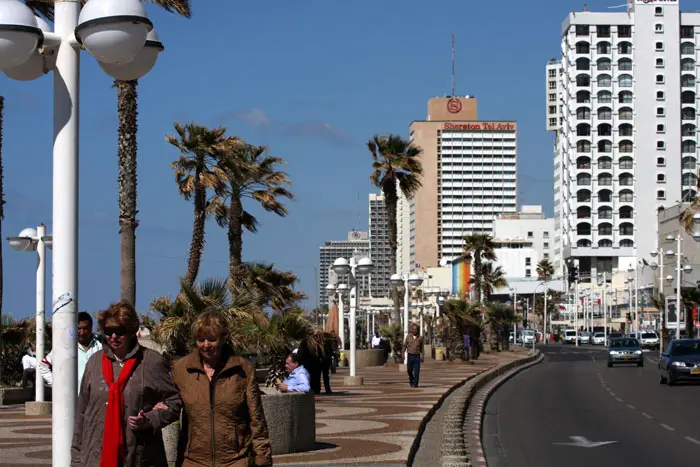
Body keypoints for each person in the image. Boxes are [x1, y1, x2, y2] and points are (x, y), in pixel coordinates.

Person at [71, 301, 182, 467]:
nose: (114, 337)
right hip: (95, 456)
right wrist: (76, 458)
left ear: (131, 331)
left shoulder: (151, 361)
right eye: (109, 331)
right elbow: (82, 412)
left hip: (139, 457)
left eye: (120, 331)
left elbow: (174, 401)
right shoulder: (94, 362)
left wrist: (151, 419)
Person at [172, 309, 271, 467]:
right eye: (200, 339)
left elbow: (257, 419)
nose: (206, 345)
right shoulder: (181, 369)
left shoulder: (243, 369)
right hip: (194, 460)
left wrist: (263, 457)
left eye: (211, 339)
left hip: (236, 460)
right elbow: (171, 406)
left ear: (224, 338)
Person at [39, 311, 101, 390]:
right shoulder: (66, 347)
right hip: (72, 399)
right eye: (79, 328)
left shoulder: (99, 347)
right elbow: (43, 365)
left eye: (85, 328)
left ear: (91, 328)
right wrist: (56, 385)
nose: (82, 332)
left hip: (93, 398)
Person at [403, 323, 424, 388]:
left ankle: (415, 384)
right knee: (409, 370)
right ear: (411, 330)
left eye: (416, 329)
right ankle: (411, 380)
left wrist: (422, 356)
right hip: (410, 356)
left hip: (417, 356)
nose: (415, 331)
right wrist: (403, 353)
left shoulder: (420, 338)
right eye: (414, 329)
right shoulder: (408, 337)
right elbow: (404, 345)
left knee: (417, 371)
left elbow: (422, 348)